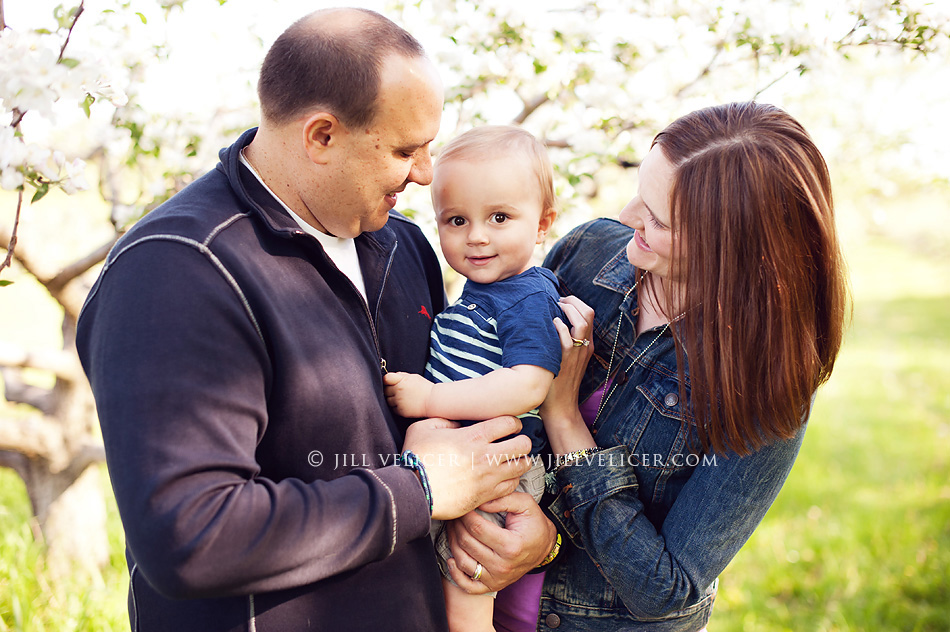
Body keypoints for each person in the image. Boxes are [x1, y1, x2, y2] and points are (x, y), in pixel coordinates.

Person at [75, 9, 552, 632]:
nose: (426, 174)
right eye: (406, 150)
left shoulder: (403, 245)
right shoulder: (177, 271)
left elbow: (454, 428)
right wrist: (421, 489)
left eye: (430, 147)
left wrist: (532, 538)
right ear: (321, 136)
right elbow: (191, 536)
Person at [445, 102, 849, 631]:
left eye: (658, 219)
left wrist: (565, 419)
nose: (631, 215)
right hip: (482, 598)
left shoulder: (764, 385)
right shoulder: (590, 254)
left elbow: (667, 589)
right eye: (641, 191)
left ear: (729, 249)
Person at [383, 125, 562, 631]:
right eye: (456, 220)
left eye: (499, 217)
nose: (476, 236)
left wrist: (430, 399)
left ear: (543, 223)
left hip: (494, 470)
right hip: (466, 466)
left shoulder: (526, 298)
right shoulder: (485, 292)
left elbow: (530, 384)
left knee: (468, 602)